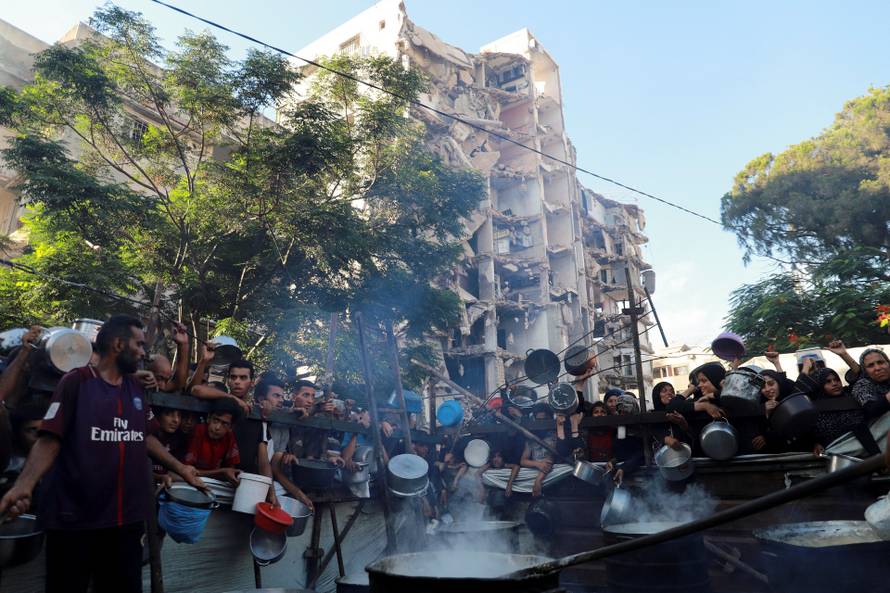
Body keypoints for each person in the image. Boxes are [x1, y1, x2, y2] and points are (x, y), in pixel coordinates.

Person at [0, 315, 205, 593]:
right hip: (76, 521)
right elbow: (50, 439)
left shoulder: (135, 388)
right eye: (140, 344)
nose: (144, 353)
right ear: (118, 344)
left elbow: (142, 436)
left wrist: (181, 469)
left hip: (126, 522)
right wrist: (24, 485)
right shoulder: (77, 382)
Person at [798, 367, 881, 456]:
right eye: (828, 381)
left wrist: (843, 354)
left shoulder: (852, 394)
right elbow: (797, 393)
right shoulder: (814, 408)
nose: (834, 384)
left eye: (837, 380)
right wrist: (816, 443)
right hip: (839, 457)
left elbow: (862, 376)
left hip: (871, 450)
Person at [184, 399, 242, 484]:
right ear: (208, 418)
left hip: (213, 484)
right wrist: (221, 472)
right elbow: (187, 470)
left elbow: (231, 470)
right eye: (215, 420)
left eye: (224, 424)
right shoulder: (199, 431)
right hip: (190, 481)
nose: (217, 427)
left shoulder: (229, 437)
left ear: (231, 427)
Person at [520, 403, 557, 497]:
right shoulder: (531, 438)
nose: (541, 423)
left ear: (550, 419)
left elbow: (549, 462)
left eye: (544, 420)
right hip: (531, 475)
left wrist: (538, 481)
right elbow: (523, 461)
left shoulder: (554, 436)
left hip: (550, 476)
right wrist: (538, 464)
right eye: (538, 420)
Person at [651, 382, 691, 451]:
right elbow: (651, 433)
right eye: (664, 391)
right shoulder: (652, 416)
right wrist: (664, 438)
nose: (669, 393)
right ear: (657, 395)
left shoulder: (680, 412)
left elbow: (690, 436)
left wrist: (683, 423)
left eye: (672, 391)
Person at [852, 348, 890, 421]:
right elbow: (871, 409)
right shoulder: (862, 385)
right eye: (871, 365)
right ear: (865, 371)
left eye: (880, 362)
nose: (877, 368)